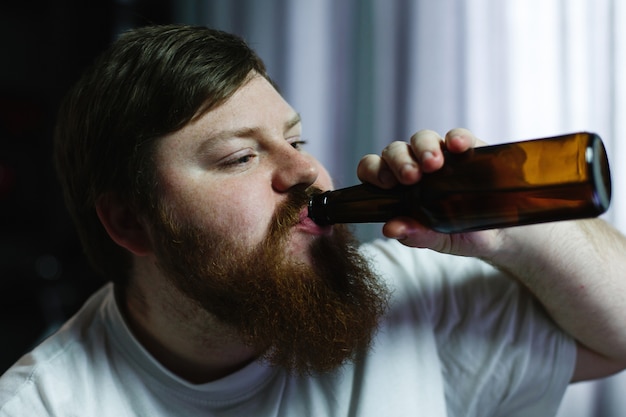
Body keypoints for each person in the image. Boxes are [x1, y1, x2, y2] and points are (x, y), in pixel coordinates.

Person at [1, 24, 625, 417]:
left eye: (296, 141)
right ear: (132, 225)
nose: (306, 173)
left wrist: (506, 229)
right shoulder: (44, 405)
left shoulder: (401, 294)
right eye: (241, 156)